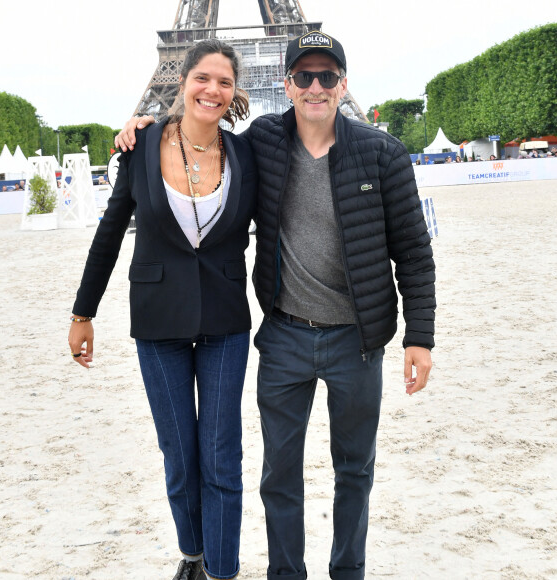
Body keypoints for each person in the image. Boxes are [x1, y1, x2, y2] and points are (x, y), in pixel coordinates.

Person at [117, 29, 435, 580]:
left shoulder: (383, 154)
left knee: (354, 471)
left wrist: (419, 337)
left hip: (358, 341)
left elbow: (412, 252)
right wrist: (143, 127)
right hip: (284, 336)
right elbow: (195, 133)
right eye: (304, 76)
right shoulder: (261, 142)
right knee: (278, 475)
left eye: (327, 76)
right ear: (286, 84)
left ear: (342, 84)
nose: (316, 86)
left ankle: (347, 572)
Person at [69, 39, 257, 580]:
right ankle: (193, 553)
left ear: (234, 91)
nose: (212, 90)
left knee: (221, 455)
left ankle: (223, 570)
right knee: (179, 453)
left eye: (224, 82)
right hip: (157, 319)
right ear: (182, 82)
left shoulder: (245, 153)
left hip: (224, 319)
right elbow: (108, 234)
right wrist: (84, 313)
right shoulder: (141, 146)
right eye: (203, 78)